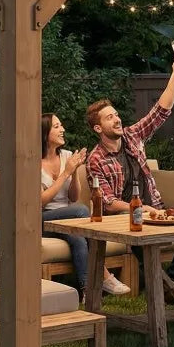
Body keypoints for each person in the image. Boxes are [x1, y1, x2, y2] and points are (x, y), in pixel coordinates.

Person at [86, 54, 174, 305]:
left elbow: (161, 111)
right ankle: (169, 289)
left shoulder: (132, 136)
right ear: (97, 128)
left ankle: (170, 281)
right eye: (109, 117)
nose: (117, 119)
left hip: (153, 209)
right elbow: (108, 202)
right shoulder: (95, 159)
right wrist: (139, 208)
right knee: (139, 230)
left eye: (116, 115)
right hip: (126, 217)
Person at [41, 113, 130, 300]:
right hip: (42, 219)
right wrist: (66, 173)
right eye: (57, 127)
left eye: (61, 125)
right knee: (81, 211)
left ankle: (87, 292)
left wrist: (74, 174)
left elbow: (73, 197)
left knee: (78, 237)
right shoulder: (33, 162)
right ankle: (105, 276)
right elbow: (40, 201)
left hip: (68, 220)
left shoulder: (66, 156)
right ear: (44, 132)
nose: (62, 130)